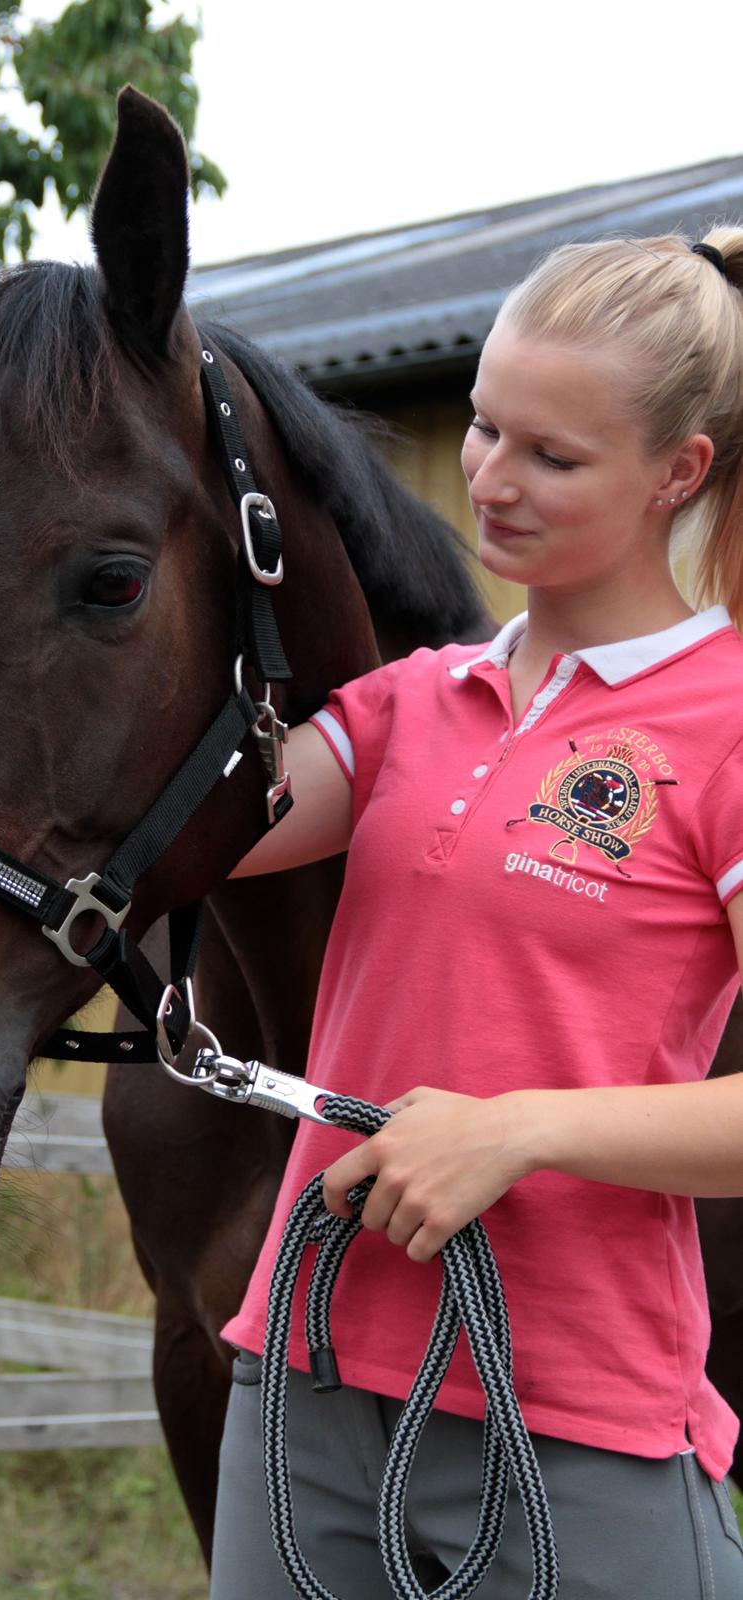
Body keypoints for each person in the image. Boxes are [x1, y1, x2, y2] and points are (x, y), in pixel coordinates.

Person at [208, 230, 743, 1599]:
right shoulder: (409, 704)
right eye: (489, 430)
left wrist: (518, 1128)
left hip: (576, 1416)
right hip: (305, 1385)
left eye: (552, 458)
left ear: (679, 472)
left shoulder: (729, 725)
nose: (492, 482)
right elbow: (192, 823)